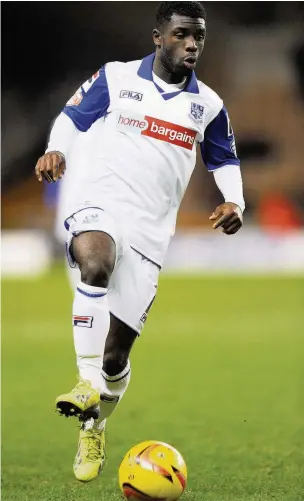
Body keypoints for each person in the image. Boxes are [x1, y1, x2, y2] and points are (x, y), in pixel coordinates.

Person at [35, 1, 245, 483]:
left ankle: (94, 423)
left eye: (199, 37)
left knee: (116, 359)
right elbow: (72, 117)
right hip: (101, 203)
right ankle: (85, 385)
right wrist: (55, 149)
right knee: (94, 263)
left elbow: (224, 159)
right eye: (181, 35)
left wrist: (235, 201)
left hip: (153, 232)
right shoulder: (115, 78)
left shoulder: (207, 105)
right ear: (157, 37)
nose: (192, 45)